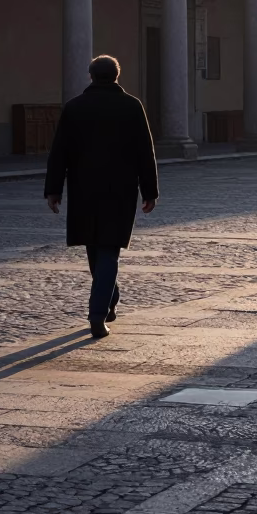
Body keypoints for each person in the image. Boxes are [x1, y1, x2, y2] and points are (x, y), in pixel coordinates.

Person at [45, 54, 158, 338]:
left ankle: (103, 307)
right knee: (107, 249)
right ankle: (101, 310)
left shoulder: (75, 107)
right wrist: (150, 191)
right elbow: (145, 151)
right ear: (117, 76)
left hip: (84, 188)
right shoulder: (132, 106)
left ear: (91, 76)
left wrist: (54, 189)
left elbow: (60, 151)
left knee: (96, 248)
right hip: (120, 190)